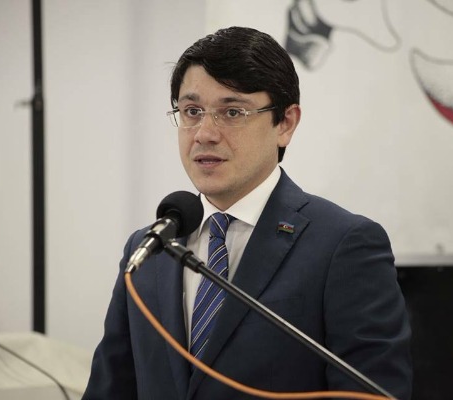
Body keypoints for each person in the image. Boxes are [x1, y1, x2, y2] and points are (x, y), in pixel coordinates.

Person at [82, 26, 412, 400]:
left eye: (232, 111)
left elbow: (371, 392)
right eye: (192, 111)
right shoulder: (149, 248)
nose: (204, 133)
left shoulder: (344, 245)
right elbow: (110, 389)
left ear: (285, 123)